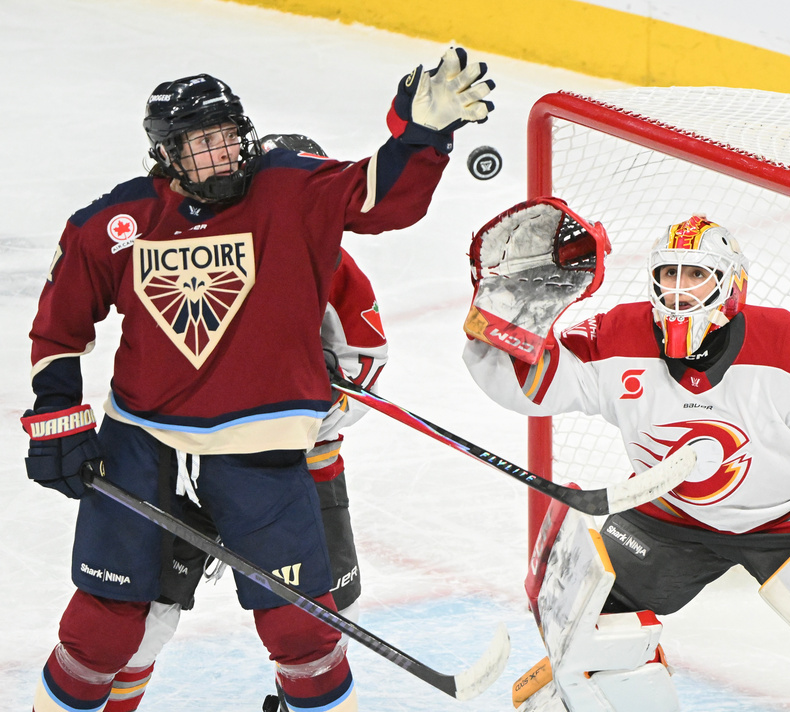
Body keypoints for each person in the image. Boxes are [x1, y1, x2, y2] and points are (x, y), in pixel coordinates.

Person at [23, 47, 493, 712]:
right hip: (142, 440)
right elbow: (60, 325)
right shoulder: (118, 220)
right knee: (104, 625)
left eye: (226, 138)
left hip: (260, 447)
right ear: (167, 155)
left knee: (302, 626)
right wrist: (56, 420)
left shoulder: (290, 189)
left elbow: (375, 196)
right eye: (201, 144)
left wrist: (420, 136)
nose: (222, 155)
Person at [462, 213, 790, 710]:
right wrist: (508, 323)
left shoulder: (784, 345)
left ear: (731, 283)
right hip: (671, 513)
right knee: (589, 624)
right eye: (669, 274)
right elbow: (538, 384)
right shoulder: (619, 334)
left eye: (696, 274)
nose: (679, 289)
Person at [102, 135, 390, 712]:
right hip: (179, 460)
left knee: (322, 623)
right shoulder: (194, 245)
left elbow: (365, 373)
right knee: (141, 618)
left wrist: (312, 397)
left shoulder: (331, 262)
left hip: (294, 469)